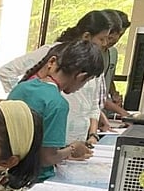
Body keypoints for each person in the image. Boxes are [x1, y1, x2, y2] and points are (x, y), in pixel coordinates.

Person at [0, 10, 114, 147]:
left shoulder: (95, 64)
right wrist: (28, 100)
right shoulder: (55, 53)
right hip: (50, 144)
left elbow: (93, 105)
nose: (106, 43)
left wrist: (92, 135)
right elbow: (6, 71)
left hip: (74, 145)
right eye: (102, 38)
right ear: (86, 36)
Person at [7, 40, 104, 181]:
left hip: (10, 172)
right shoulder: (58, 104)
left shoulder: (21, 87)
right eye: (86, 81)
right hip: (34, 178)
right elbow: (47, 157)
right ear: (81, 76)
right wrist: (72, 149)